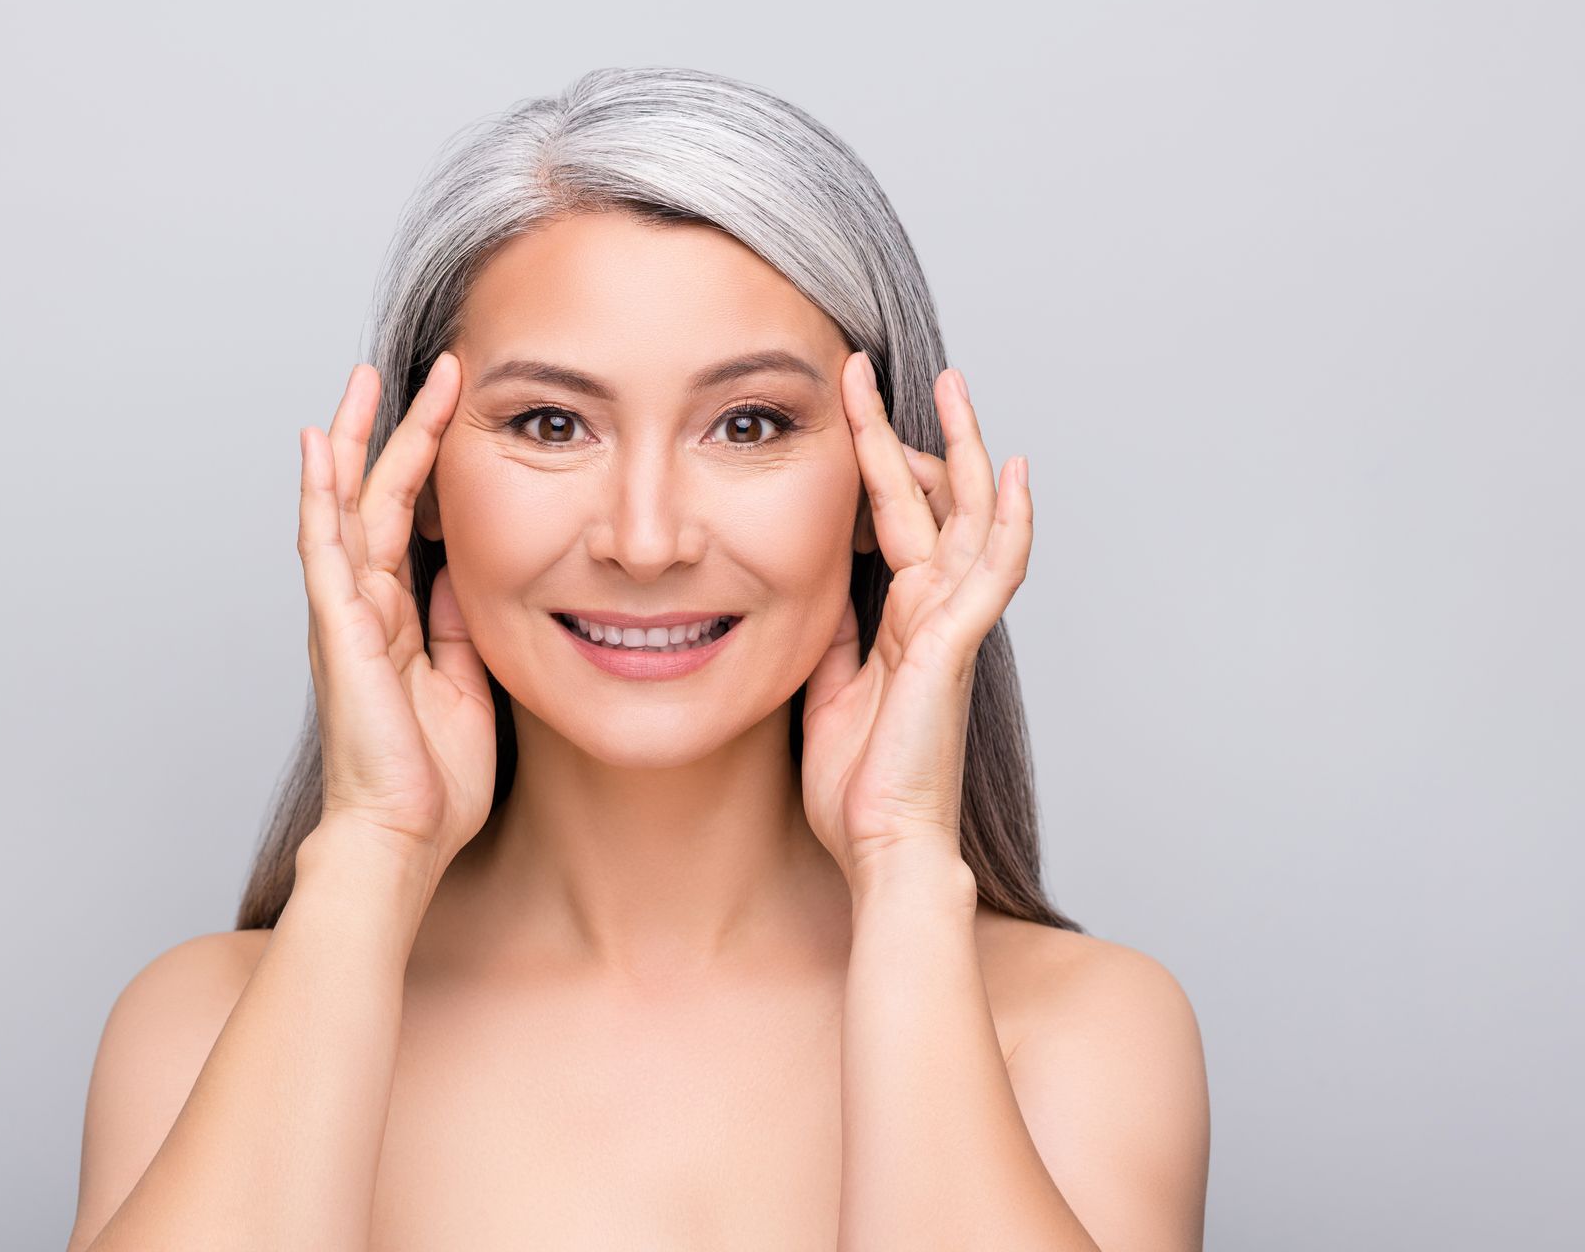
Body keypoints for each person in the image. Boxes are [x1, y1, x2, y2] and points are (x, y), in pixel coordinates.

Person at [66, 66, 1210, 1251]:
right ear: (421, 484)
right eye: (551, 424)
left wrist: (904, 865)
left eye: (750, 423)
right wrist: (371, 845)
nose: (647, 540)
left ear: (884, 486)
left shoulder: (1076, 1035)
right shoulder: (199, 1025)